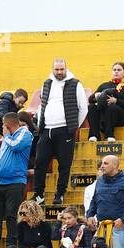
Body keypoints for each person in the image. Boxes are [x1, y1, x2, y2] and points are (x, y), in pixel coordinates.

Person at [32, 59, 89, 205]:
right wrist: (40, 125)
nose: (59, 72)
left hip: (64, 130)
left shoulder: (75, 84)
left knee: (64, 164)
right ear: (52, 69)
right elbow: (42, 105)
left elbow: (83, 108)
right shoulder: (47, 83)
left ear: (66, 69)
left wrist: (72, 126)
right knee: (39, 163)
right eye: (56, 69)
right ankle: (38, 195)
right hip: (46, 130)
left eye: (61, 69)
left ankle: (60, 193)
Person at [0, 112, 32, 248]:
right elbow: (2, 156)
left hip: (15, 182)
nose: (2, 128)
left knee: (11, 215)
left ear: (7, 125)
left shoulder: (24, 134)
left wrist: (6, 135)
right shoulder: (8, 138)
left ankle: (11, 245)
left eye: (3, 125)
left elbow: (16, 146)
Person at [87, 62, 124, 143]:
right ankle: (94, 135)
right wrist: (96, 97)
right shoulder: (104, 85)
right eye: (114, 70)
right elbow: (90, 99)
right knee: (91, 107)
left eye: (119, 70)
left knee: (112, 107)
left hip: (121, 117)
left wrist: (116, 101)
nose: (116, 72)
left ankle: (109, 135)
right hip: (104, 117)